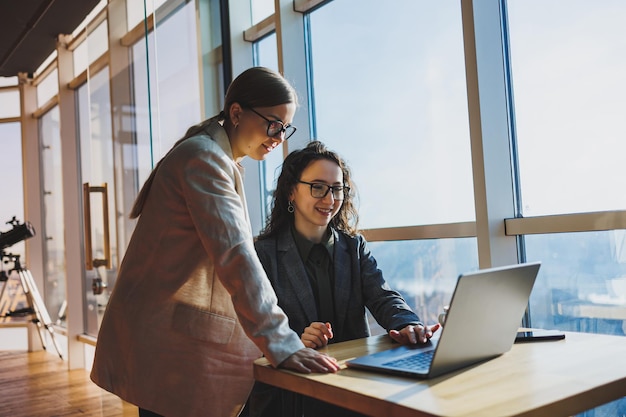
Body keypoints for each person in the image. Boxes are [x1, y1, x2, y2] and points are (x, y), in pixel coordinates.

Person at [89, 67, 340, 417]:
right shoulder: (204, 158)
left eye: (285, 128)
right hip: (169, 346)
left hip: (166, 341)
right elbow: (236, 256)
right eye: (273, 124)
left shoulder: (214, 157)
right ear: (236, 113)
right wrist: (282, 343)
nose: (279, 137)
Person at [246, 141, 440, 417]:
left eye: (336, 189)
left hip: (351, 387)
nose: (329, 199)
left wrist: (407, 324)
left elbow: (383, 297)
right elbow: (253, 328)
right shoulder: (263, 254)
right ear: (291, 191)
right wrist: (293, 342)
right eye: (317, 187)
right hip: (292, 394)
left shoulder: (353, 247)